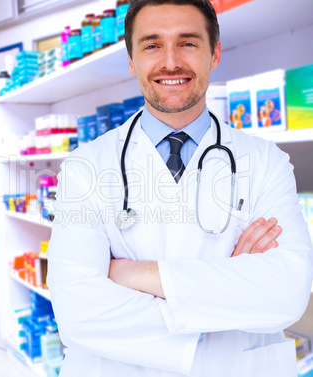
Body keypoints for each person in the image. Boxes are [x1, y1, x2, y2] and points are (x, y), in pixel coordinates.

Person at [47, 1, 313, 376]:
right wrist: (228, 291)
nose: (170, 62)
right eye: (152, 45)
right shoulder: (84, 167)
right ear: (131, 60)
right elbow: (77, 312)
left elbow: (287, 293)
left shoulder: (266, 160)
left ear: (214, 53)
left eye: (187, 42)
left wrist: (132, 274)